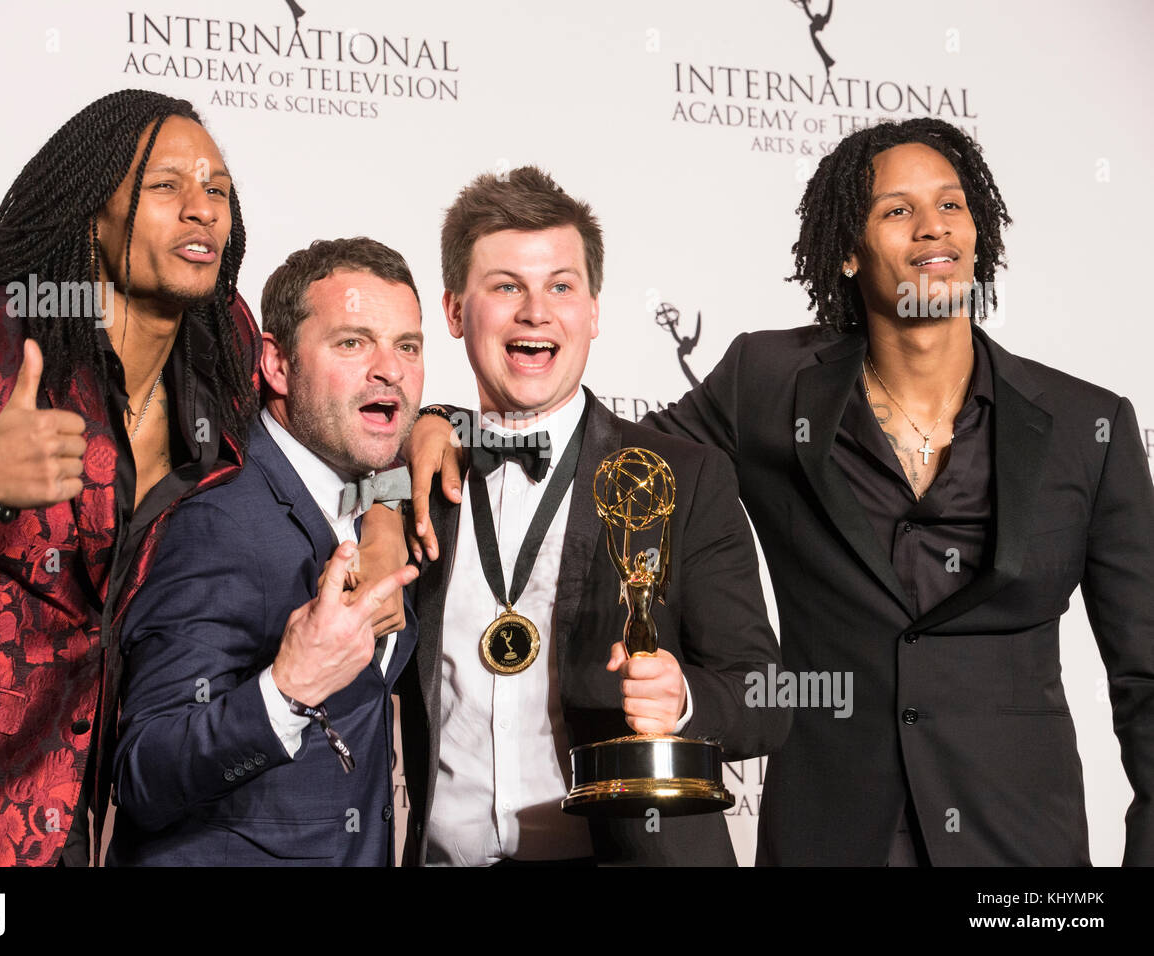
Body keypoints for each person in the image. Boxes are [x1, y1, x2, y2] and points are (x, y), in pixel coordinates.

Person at [407, 120, 1154, 866]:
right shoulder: (766, 384)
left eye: (952, 205)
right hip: (829, 837)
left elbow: (1146, 678)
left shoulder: (1088, 426)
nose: (933, 227)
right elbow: (603, 453)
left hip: (1021, 853)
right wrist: (449, 424)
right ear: (849, 251)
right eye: (898, 209)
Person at [0, 90, 260, 866]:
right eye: (166, 185)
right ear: (92, 212)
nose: (202, 209)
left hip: (87, 825)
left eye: (217, 189)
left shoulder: (223, 347)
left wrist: (425, 443)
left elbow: (340, 410)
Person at [398, 167, 788, 866]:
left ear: (595, 312)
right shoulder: (413, 480)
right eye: (506, 286)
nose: (536, 312)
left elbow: (766, 697)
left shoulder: (685, 478)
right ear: (455, 311)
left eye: (560, 286)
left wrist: (684, 698)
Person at [108, 237, 422, 866]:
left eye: (408, 347)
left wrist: (391, 500)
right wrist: (288, 689)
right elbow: (143, 773)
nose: (390, 369)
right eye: (352, 342)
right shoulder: (216, 518)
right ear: (277, 366)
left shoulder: (364, 490)